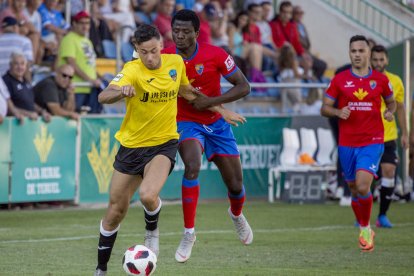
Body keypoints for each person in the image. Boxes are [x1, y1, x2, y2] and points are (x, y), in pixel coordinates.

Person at [93, 23, 245, 276]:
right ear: (136, 51)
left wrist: (220, 110)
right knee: (114, 211)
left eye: (154, 51)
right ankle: (101, 269)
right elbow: (103, 96)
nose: (150, 57)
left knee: (148, 195)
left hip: (164, 143)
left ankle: (151, 231)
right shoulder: (131, 70)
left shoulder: (174, 63)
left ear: (162, 47)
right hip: (131, 147)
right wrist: (120, 91)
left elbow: (188, 93)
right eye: (144, 52)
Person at [163, 9, 253, 263]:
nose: (179, 36)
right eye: (176, 31)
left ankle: (236, 215)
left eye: (185, 32)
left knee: (235, 185)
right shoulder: (166, 56)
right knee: (192, 165)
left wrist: (215, 104)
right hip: (185, 122)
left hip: (216, 124)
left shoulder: (215, 54)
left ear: (196, 33)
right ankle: (189, 233)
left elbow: (244, 85)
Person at [321, 35, 396, 252]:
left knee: (364, 186)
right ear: (350, 53)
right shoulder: (339, 80)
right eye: (353, 51)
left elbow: (391, 103)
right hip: (347, 143)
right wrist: (337, 111)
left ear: (369, 53)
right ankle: (364, 225)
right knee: (354, 190)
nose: (357, 55)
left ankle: (365, 228)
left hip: (372, 141)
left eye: (361, 51)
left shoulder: (381, 81)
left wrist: (389, 113)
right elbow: (324, 108)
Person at [370, 45, 408, 228]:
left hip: (388, 136)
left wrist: (405, 133)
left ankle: (382, 216)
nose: (378, 63)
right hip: (366, 137)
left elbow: (400, 108)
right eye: (375, 59)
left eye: (381, 59)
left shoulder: (396, 81)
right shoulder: (364, 80)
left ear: (387, 60)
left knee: (389, 172)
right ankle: (360, 215)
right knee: (362, 181)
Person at [57, 10, 103, 113]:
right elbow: (71, 63)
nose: (85, 26)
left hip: (90, 88)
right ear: (74, 24)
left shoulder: (87, 41)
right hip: (76, 88)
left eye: (87, 23)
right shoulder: (69, 39)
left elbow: (90, 65)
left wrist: (99, 78)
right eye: (82, 23)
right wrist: (90, 80)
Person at [2, 52, 50, 122]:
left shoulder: (26, 81)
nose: (20, 67)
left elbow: (30, 103)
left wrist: (42, 112)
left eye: (22, 64)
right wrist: (28, 114)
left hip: (28, 125)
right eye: (16, 64)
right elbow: (6, 107)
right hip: (13, 126)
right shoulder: (5, 82)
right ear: (10, 65)